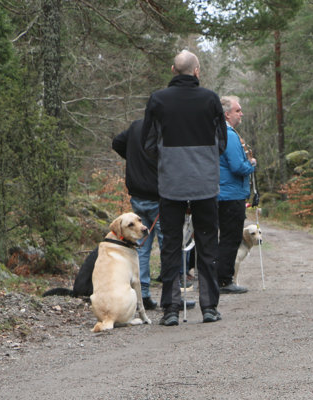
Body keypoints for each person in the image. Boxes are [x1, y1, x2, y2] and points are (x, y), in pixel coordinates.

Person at [140, 50, 227, 326]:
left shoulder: (158, 100)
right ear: (197, 71)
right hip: (205, 185)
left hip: (171, 185)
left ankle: (171, 310)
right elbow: (222, 143)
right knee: (207, 245)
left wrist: (169, 161)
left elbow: (149, 143)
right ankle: (209, 308)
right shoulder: (212, 99)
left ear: (173, 70)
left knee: (170, 248)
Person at [111, 119, 162, 311]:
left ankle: (144, 294)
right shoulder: (163, 128)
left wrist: (133, 159)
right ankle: (170, 297)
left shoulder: (136, 126)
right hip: (160, 195)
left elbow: (117, 142)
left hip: (138, 194)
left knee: (141, 247)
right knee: (168, 245)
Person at [216, 95, 256, 294]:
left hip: (223, 192)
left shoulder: (219, 132)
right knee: (230, 238)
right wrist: (252, 164)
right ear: (227, 114)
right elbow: (237, 166)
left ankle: (218, 278)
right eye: (238, 110)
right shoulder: (229, 135)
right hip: (230, 195)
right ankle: (224, 280)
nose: (241, 114)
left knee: (224, 237)